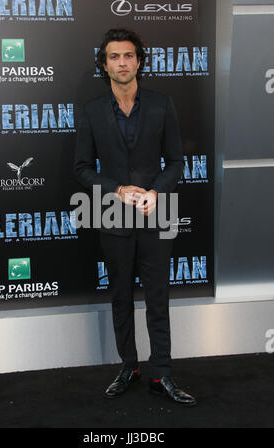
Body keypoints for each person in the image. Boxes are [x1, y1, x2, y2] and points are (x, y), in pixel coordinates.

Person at [74, 28, 196, 406]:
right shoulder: (93, 111)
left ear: (139, 61)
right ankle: (129, 365)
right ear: (104, 63)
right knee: (120, 296)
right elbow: (82, 168)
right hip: (111, 209)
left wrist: (157, 192)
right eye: (114, 57)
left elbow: (177, 161)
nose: (122, 63)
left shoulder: (161, 104)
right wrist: (117, 190)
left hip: (159, 210)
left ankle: (162, 373)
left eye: (128, 56)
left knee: (158, 297)